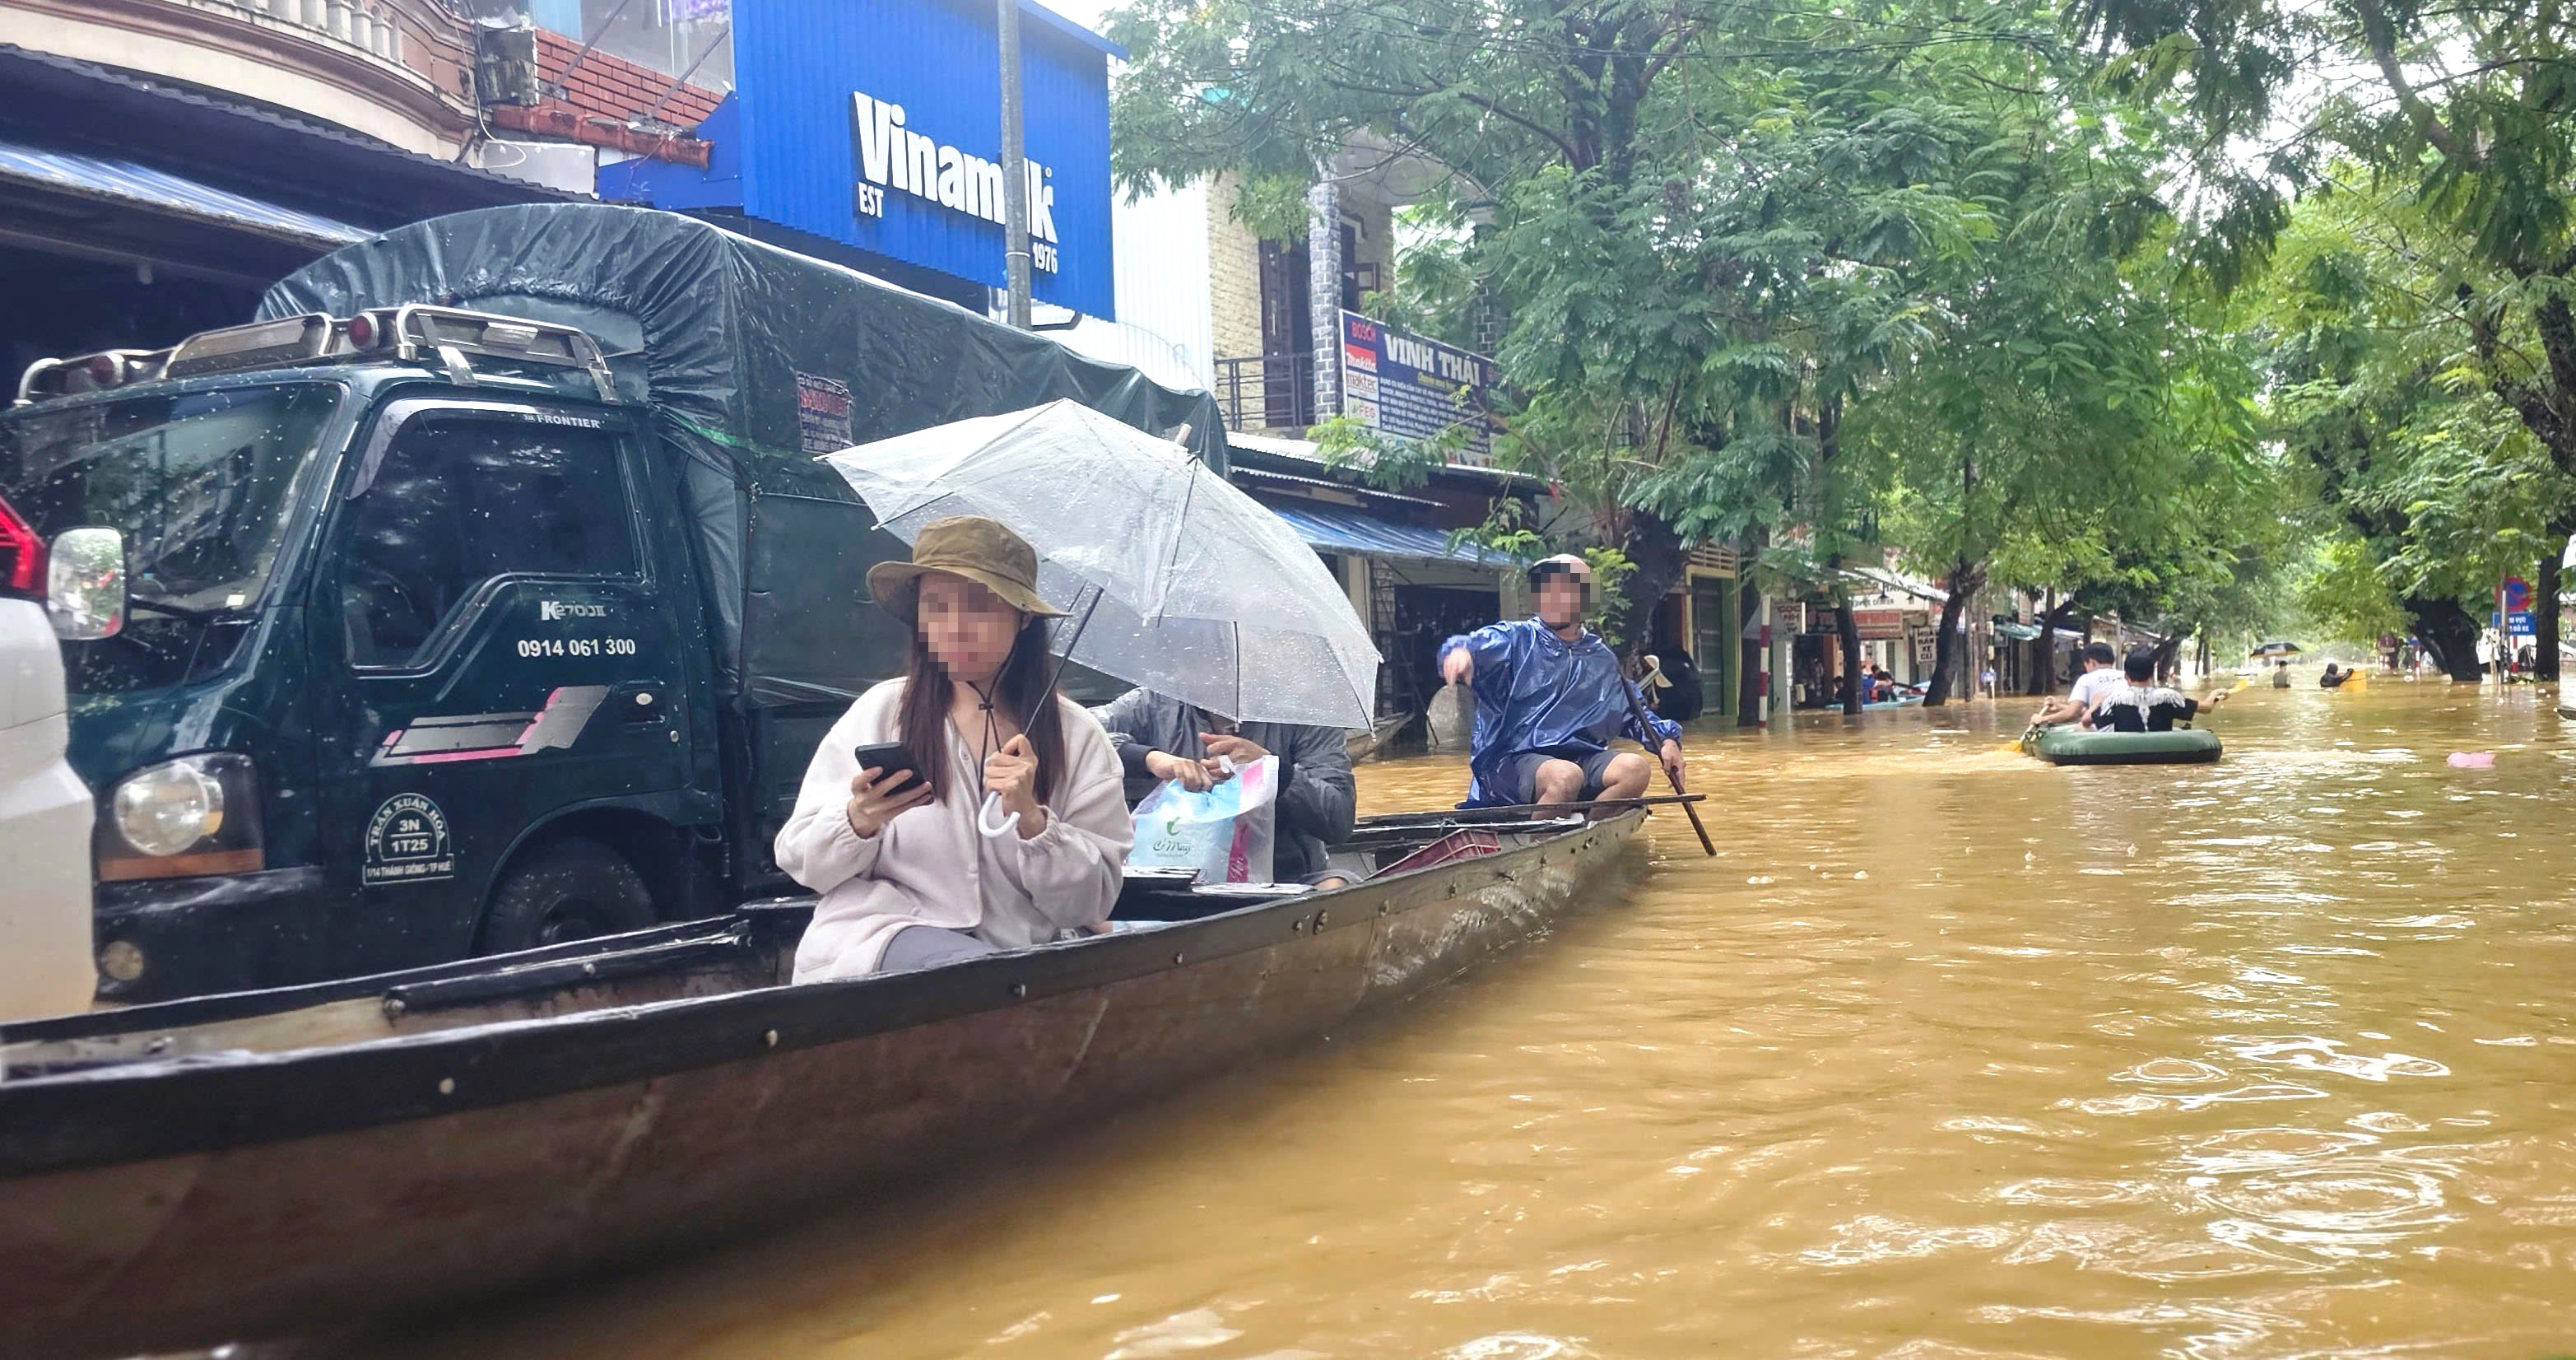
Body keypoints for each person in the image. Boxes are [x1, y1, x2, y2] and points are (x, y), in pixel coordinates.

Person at [776, 517, 1132, 981]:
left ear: (1023, 617)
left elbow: (1087, 903)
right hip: (878, 943)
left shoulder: (1076, 735)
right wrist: (859, 819)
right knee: (973, 980)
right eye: (936, 608)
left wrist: (1033, 820)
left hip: (1015, 969)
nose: (955, 627)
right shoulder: (884, 711)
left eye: (980, 607)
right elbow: (803, 863)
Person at [1439, 555, 1686, 808]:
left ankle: (1588, 831)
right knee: (1566, 776)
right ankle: (1537, 841)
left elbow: (1634, 714)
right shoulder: (1516, 638)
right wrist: (1461, 653)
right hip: (1511, 765)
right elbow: (1472, 646)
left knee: (1636, 768)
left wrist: (1666, 741)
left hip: (1580, 760)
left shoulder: (1600, 657)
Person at [1091, 688, 1355, 885]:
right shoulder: (1151, 703)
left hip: (1283, 880)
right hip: (1166, 876)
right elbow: (1077, 735)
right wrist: (1150, 758)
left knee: (1338, 887)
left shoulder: (1308, 715)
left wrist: (1274, 770)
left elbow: (1338, 818)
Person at [2086, 647, 2217, 731]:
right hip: (2162, 752)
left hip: (2127, 753)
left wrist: (2096, 704)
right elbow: (2207, 708)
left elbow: (2087, 721)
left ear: (2126, 676)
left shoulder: (2113, 700)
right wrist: (2216, 694)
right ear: (2151, 675)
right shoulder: (2170, 697)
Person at [2030, 640, 2121, 728]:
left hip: (2104, 733)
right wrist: (2060, 707)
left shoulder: (2085, 679)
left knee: (2081, 727)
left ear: (2091, 662)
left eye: (2086, 665)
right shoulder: (2126, 677)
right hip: (2129, 729)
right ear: (2113, 662)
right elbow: (2092, 711)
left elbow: (2072, 714)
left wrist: (2042, 719)